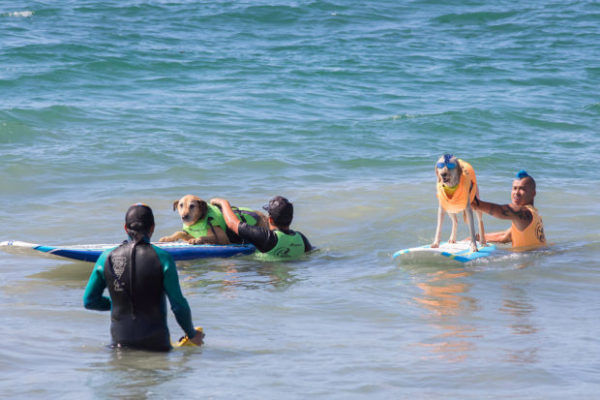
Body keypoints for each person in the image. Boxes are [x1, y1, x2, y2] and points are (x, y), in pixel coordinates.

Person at [83, 203, 204, 351]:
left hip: (120, 347)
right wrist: (191, 334)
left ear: (125, 228)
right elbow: (178, 305)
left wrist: (120, 304)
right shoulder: (163, 258)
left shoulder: (106, 258)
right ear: (152, 227)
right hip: (157, 346)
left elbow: (90, 301)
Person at [210, 196, 312, 259]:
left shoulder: (266, 238)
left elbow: (232, 223)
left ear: (270, 219)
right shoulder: (301, 239)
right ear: (291, 218)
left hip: (267, 275)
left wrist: (224, 203)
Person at [471, 170, 546, 250]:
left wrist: (476, 204)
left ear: (533, 193)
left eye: (522, 189)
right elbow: (505, 237)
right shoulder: (535, 215)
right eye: (514, 188)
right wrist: (475, 237)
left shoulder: (525, 213)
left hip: (525, 260)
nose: (516, 192)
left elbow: (501, 210)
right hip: (534, 259)